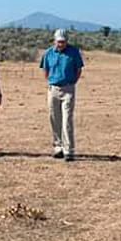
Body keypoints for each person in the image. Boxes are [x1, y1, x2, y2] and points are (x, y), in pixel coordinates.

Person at [39, 29, 84, 161]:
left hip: (68, 88)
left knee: (67, 119)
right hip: (53, 89)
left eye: (63, 42)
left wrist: (72, 83)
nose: (61, 44)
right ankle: (58, 146)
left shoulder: (74, 52)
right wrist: (50, 82)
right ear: (55, 41)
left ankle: (68, 149)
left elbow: (78, 70)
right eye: (59, 42)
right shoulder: (48, 53)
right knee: (54, 118)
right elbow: (45, 70)